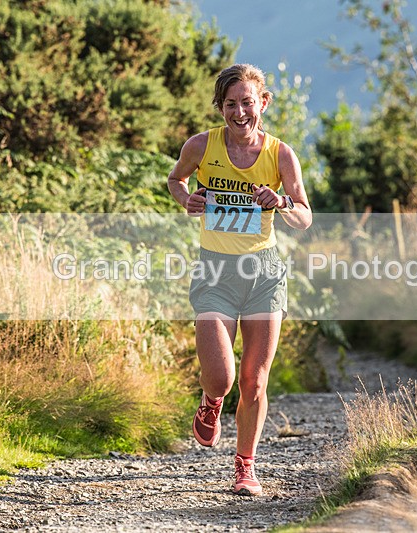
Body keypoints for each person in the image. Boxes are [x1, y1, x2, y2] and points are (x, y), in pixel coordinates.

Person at [167, 64, 312, 494]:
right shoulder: (202, 145)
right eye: (230, 104)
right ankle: (212, 403)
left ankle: (245, 467)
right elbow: (176, 179)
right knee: (222, 379)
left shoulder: (280, 154)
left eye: (247, 102)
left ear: (262, 103)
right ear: (221, 107)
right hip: (215, 271)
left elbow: (304, 217)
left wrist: (282, 200)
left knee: (255, 379)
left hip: (263, 275)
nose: (239, 111)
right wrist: (187, 198)